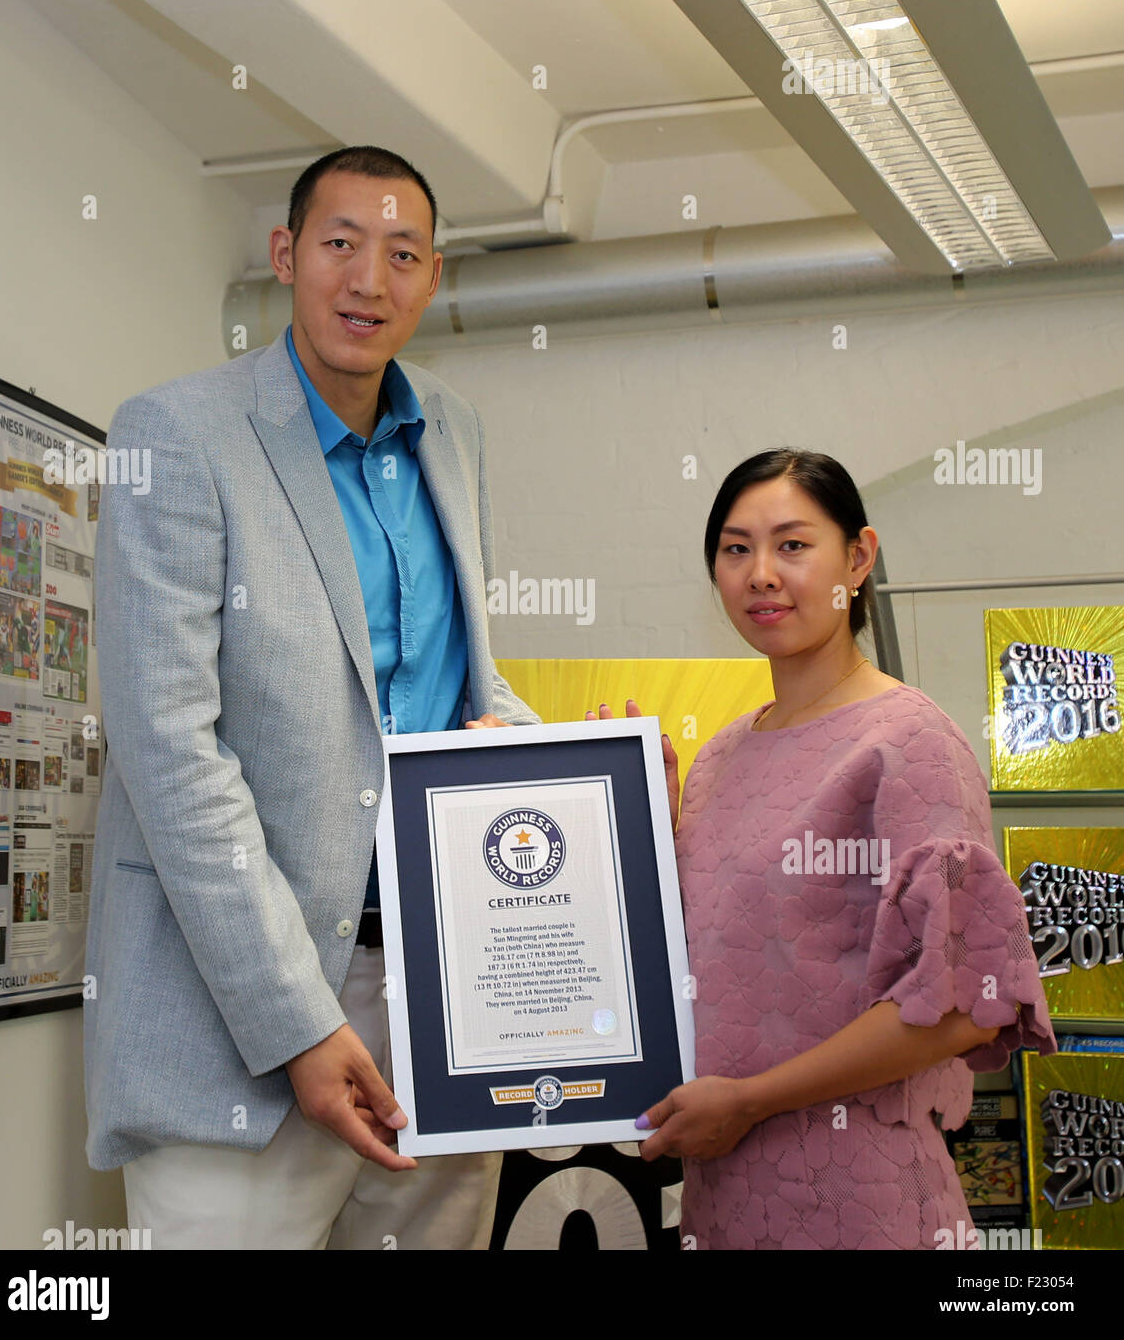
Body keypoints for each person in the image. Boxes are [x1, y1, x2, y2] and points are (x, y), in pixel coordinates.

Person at [84, 145, 539, 1249]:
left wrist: (575, 765)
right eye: (339, 244)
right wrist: (298, 1020)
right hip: (234, 1018)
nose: (366, 281)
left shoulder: (455, 435)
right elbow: (168, 747)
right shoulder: (178, 434)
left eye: (400, 255)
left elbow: (449, 692)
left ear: (433, 278)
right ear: (287, 254)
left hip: (441, 993)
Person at [629, 448, 1055, 1249]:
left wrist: (750, 1100)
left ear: (857, 559)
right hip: (724, 1194)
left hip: (859, 1196)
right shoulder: (721, 757)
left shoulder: (910, 742)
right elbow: (709, 967)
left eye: (792, 545)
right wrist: (632, 819)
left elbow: (960, 1003)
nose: (760, 573)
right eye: (735, 548)